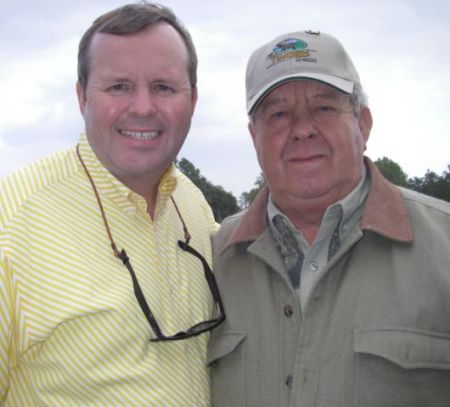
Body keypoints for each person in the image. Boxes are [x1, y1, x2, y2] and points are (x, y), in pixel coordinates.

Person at [208, 30, 450, 407]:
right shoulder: (210, 261)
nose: (302, 129)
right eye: (278, 114)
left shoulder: (444, 245)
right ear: (254, 136)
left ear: (363, 123)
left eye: (323, 107)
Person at [0, 3, 224, 405]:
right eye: (119, 86)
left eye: (163, 87)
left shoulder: (193, 204)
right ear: (82, 96)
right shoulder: (11, 220)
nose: (142, 107)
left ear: (193, 100)